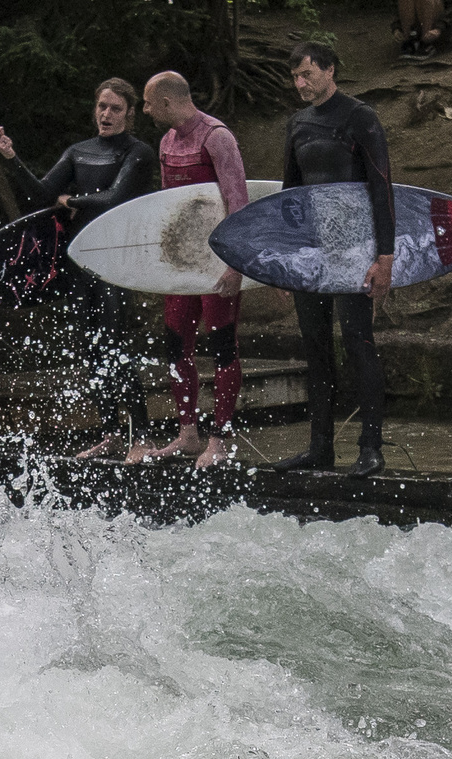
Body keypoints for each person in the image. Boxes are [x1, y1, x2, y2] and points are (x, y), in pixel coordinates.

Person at [0, 78, 156, 461]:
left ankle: (142, 436)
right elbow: (40, 193)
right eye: (102, 106)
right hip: (79, 261)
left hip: (116, 261)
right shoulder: (80, 151)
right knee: (92, 349)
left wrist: (71, 200)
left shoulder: (138, 152)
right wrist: (11, 158)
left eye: (115, 108)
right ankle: (110, 433)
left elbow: (115, 196)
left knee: (116, 347)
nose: (106, 114)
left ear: (130, 114)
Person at [275, 42, 395, 477]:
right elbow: (290, 196)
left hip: (355, 248)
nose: (300, 84)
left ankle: (370, 446)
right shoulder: (297, 124)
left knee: (359, 343)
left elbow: (382, 188)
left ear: (329, 70)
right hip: (312, 253)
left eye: (307, 74)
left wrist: (385, 255)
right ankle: (320, 445)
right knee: (315, 347)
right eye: (295, 77)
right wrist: (287, 257)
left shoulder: (359, 117)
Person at [139, 71, 249, 469]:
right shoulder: (167, 141)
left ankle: (219, 438)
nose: (146, 110)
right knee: (175, 344)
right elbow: (170, 209)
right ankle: (188, 433)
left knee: (221, 347)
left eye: (149, 103)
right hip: (182, 265)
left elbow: (239, 204)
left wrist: (236, 265)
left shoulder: (217, 137)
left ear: (167, 102)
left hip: (218, 264)